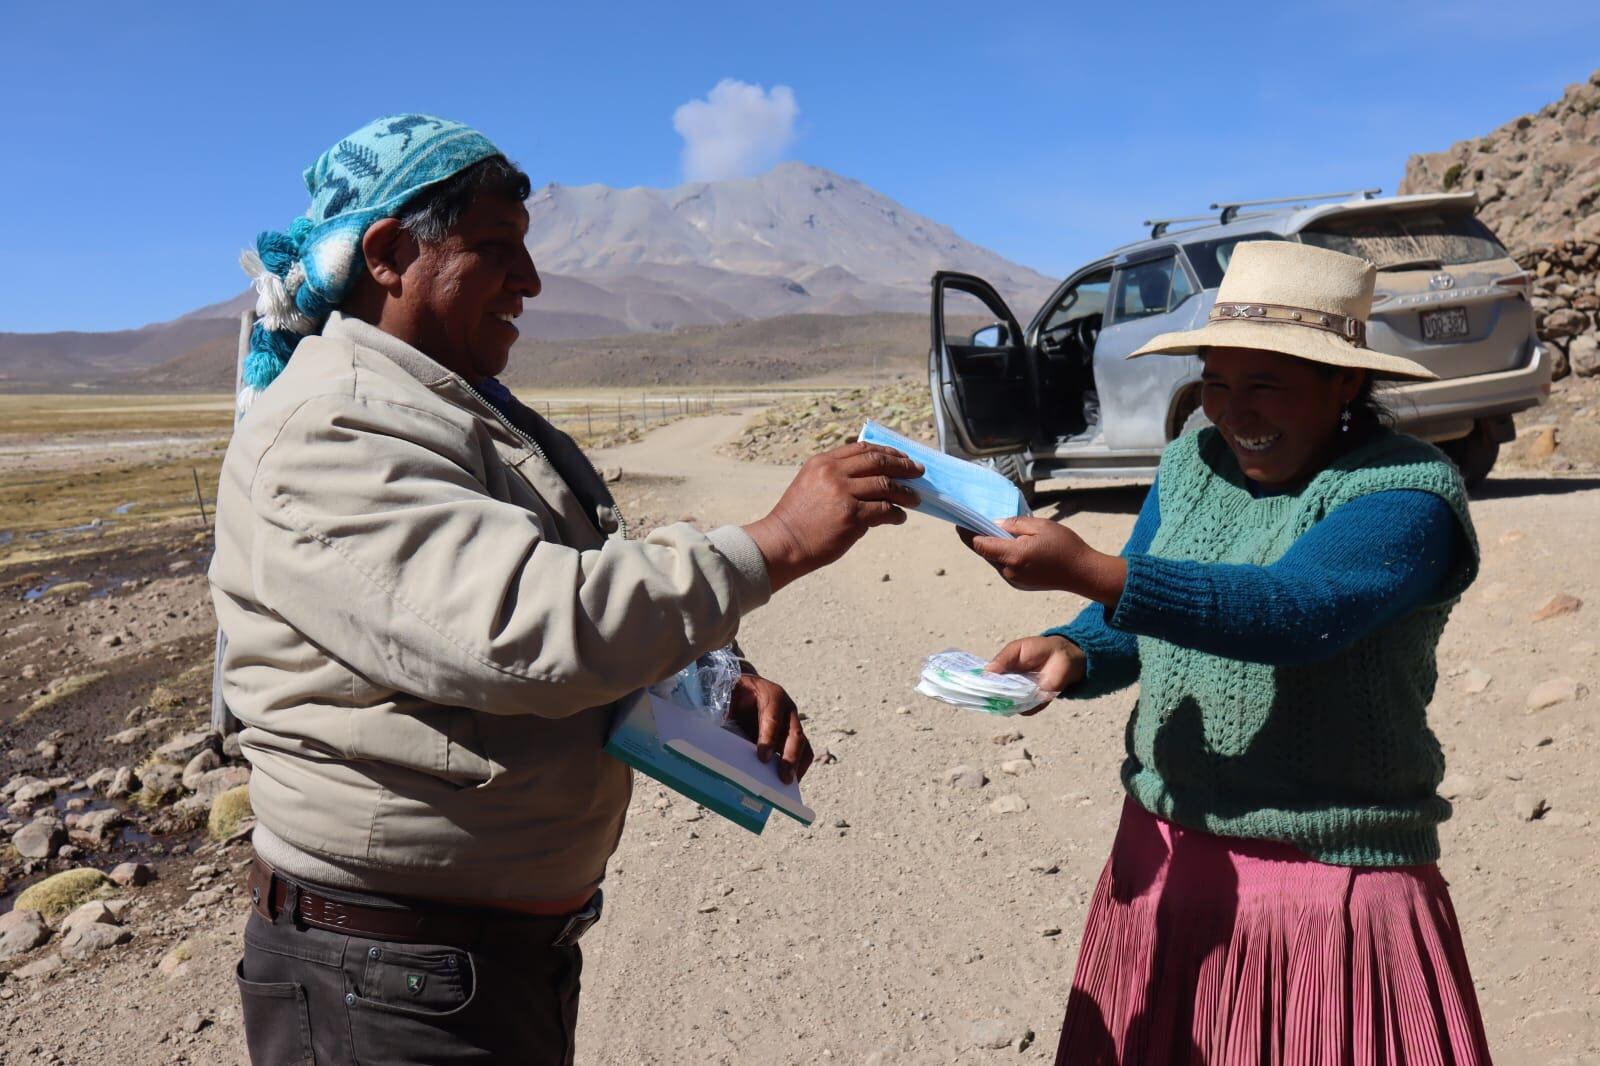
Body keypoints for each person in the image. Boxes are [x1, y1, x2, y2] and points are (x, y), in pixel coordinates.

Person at [207, 114, 921, 1065]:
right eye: (497, 251)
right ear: (387, 255)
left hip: (462, 966)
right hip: (381, 981)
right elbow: (520, 628)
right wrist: (777, 541)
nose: (532, 284)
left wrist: (706, 672)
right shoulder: (333, 429)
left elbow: (569, 566)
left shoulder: (448, 403)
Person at [963, 241, 1493, 1064]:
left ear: (1344, 383)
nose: (1234, 412)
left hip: (1323, 885)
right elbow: (1138, 612)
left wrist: (1091, 567)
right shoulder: (1190, 464)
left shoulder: (1404, 495)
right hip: (1165, 850)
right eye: (1215, 382)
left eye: (1265, 385)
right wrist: (1073, 649)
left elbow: (1294, 611)